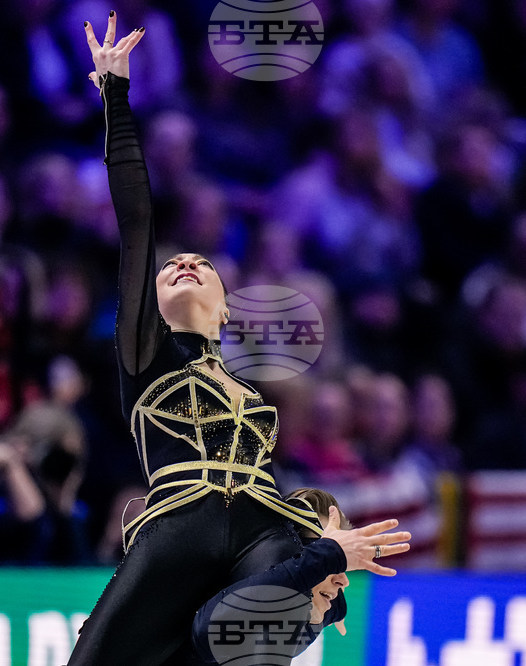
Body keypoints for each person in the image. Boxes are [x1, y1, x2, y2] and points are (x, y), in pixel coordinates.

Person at [67, 14, 410, 664]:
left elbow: (274, 486)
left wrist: (322, 566)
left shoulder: (253, 397)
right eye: (171, 268)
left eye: (204, 266)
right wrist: (115, 94)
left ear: (226, 312)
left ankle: (319, 567)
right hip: (182, 521)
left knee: (225, 638)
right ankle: (315, 566)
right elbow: (137, 218)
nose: (184, 265)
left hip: (265, 527)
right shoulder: (147, 354)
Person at [190, 488, 410, 664]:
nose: (343, 580)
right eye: (322, 554)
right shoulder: (230, 622)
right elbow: (208, 637)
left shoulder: (283, 626)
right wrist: (329, 556)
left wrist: (335, 607)